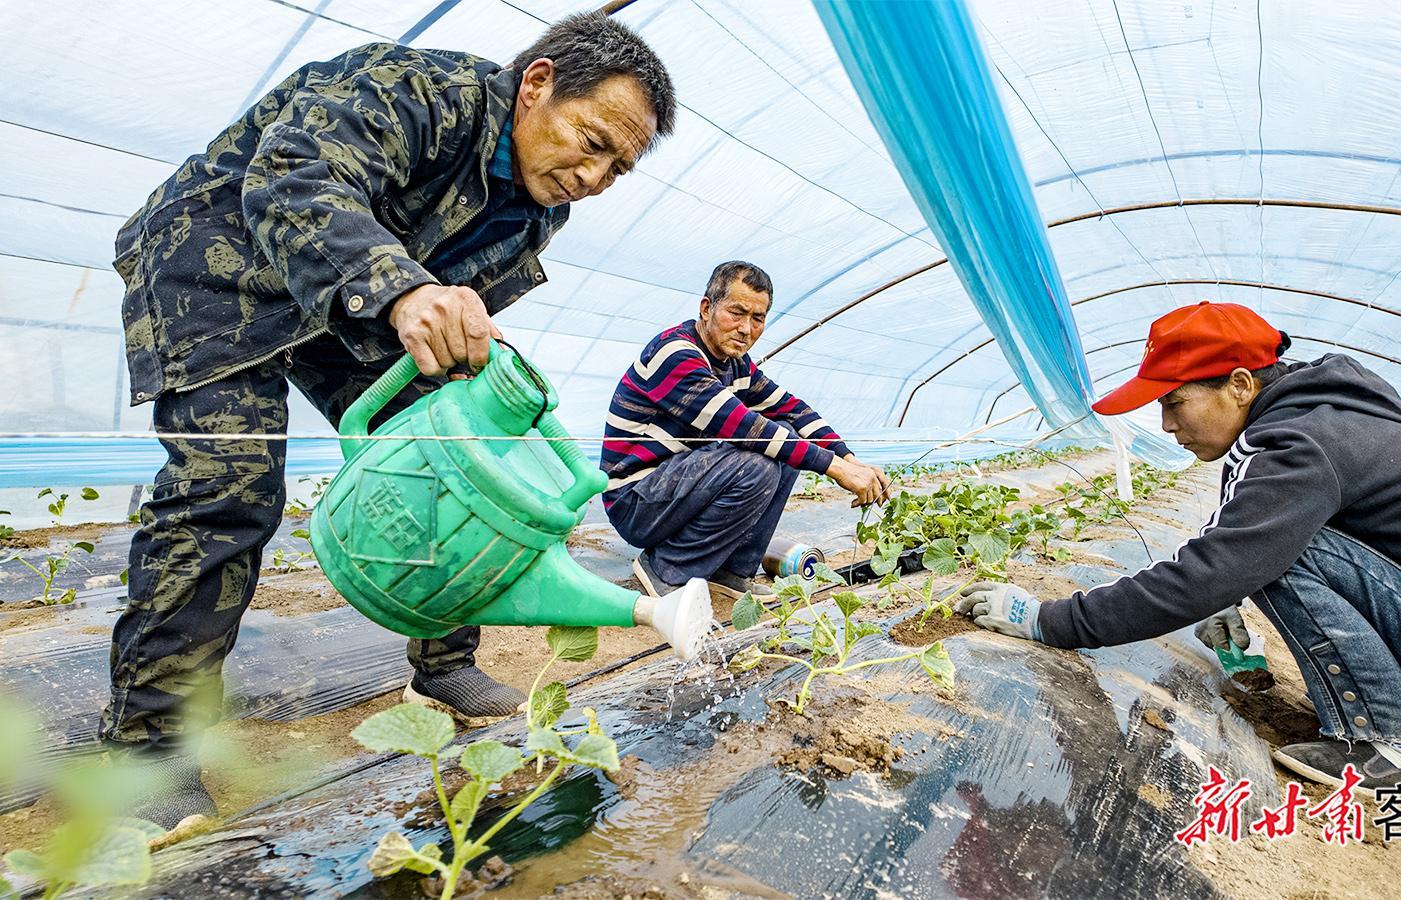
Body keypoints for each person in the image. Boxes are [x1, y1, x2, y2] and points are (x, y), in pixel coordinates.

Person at [104, 13, 676, 827]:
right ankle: (149, 750)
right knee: (227, 491)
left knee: (462, 454)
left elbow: (454, 309)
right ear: (538, 83)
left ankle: (443, 665)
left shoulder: (538, 207)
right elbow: (296, 175)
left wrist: (468, 348)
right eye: (591, 143)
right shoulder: (418, 91)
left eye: (618, 167)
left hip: (348, 305)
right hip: (220, 266)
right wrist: (404, 291)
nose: (594, 176)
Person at [957, 301, 1401, 796]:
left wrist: (1049, 620)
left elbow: (1222, 563)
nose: (1167, 425)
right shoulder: (1312, 425)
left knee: (1283, 551)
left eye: (1174, 402)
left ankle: (1399, 746)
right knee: (1266, 550)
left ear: (1237, 385)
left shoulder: (1302, 442)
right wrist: (1228, 597)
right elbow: (1245, 542)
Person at [601, 261, 892, 602]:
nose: (745, 328)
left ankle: (732, 570)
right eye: (736, 313)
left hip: (672, 490)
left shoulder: (736, 364)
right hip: (636, 500)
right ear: (707, 308)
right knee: (758, 462)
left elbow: (792, 409)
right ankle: (667, 568)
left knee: (785, 435)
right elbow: (744, 427)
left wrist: (850, 460)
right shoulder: (676, 355)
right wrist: (836, 469)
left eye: (757, 318)